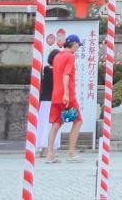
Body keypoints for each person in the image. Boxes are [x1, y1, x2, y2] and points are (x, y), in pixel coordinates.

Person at [43, 33, 83, 163]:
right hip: (68, 96)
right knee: (78, 121)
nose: (78, 48)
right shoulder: (70, 56)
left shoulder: (57, 56)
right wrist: (66, 93)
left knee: (57, 123)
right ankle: (71, 152)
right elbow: (66, 75)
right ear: (75, 44)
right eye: (78, 45)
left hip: (56, 95)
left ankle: (50, 154)